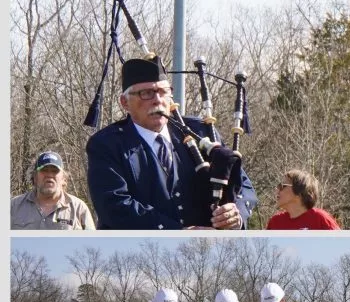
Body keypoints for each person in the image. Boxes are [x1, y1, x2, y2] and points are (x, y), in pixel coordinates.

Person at [85, 56, 257, 229]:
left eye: (163, 92)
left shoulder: (199, 131)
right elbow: (114, 206)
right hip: (139, 252)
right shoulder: (107, 144)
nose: (157, 100)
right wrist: (176, 232)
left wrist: (237, 214)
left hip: (208, 251)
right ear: (125, 103)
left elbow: (244, 186)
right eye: (146, 93)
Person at [11, 151, 95, 230]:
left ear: (63, 178)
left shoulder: (79, 208)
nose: (49, 175)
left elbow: (92, 242)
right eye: (44, 170)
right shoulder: (14, 206)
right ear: (35, 177)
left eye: (55, 171)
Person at [267, 169, 341, 230]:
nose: (277, 191)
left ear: (299, 192)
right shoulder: (275, 222)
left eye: (282, 186)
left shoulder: (320, 219)